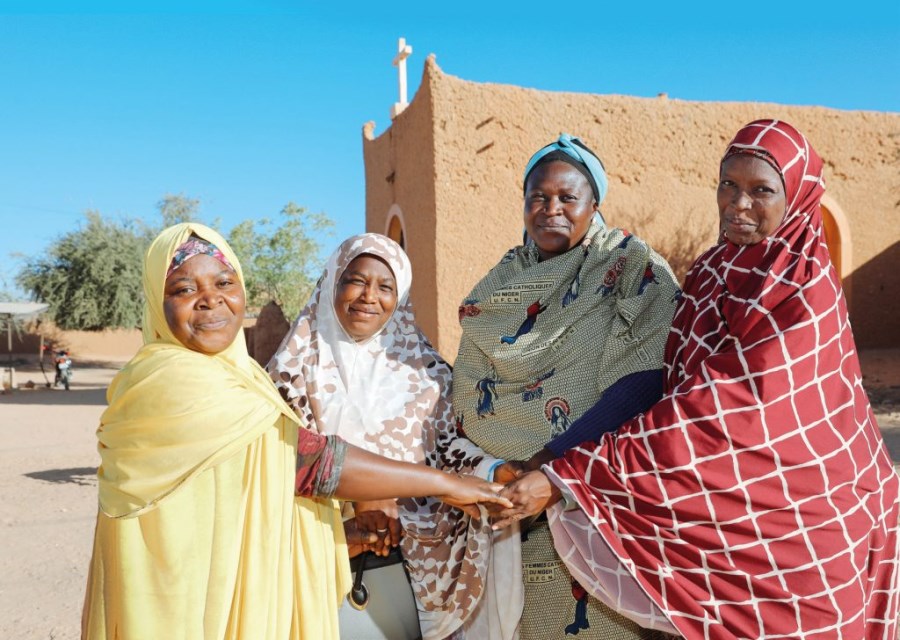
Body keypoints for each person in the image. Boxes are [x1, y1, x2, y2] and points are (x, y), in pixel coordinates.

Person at [492, 120, 900, 639]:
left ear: (797, 197)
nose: (738, 204)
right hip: (721, 512)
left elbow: (726, 413)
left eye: (761, 190)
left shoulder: (804, 289)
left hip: (805, 522)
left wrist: (568, 476)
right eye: (728, 184)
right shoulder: (711, 272)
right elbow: (669, 383)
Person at [81, 223, 510, 640]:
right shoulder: (180, 380)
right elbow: (304, 462)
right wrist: (443, 486)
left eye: (224, 283)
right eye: (184, 289)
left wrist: (489, 474)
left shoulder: (243, 377)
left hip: (340, 564)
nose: (211, 301)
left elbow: (255, 501)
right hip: (180, 593)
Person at [451, 134, 682, 638]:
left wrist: (552, 465)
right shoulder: (501, 283)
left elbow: (646, 377)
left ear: (593, 204)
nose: (551, 209)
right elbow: (466, 389)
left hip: (598, 499)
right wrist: (497, 472)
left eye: (567, 197)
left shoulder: (631, 268)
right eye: (538, 196)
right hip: (507, 510)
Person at [269, 233, 498, 640]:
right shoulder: (289, 376)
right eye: (355, 280)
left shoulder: (431, 377)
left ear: (401, 298)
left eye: (385, 286)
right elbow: (275, 465)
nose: (368, 297)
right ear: (332, 284)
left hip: (411, 575)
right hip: (317, 567)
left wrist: (497, 473)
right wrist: (356, 495)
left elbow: (454, 452)